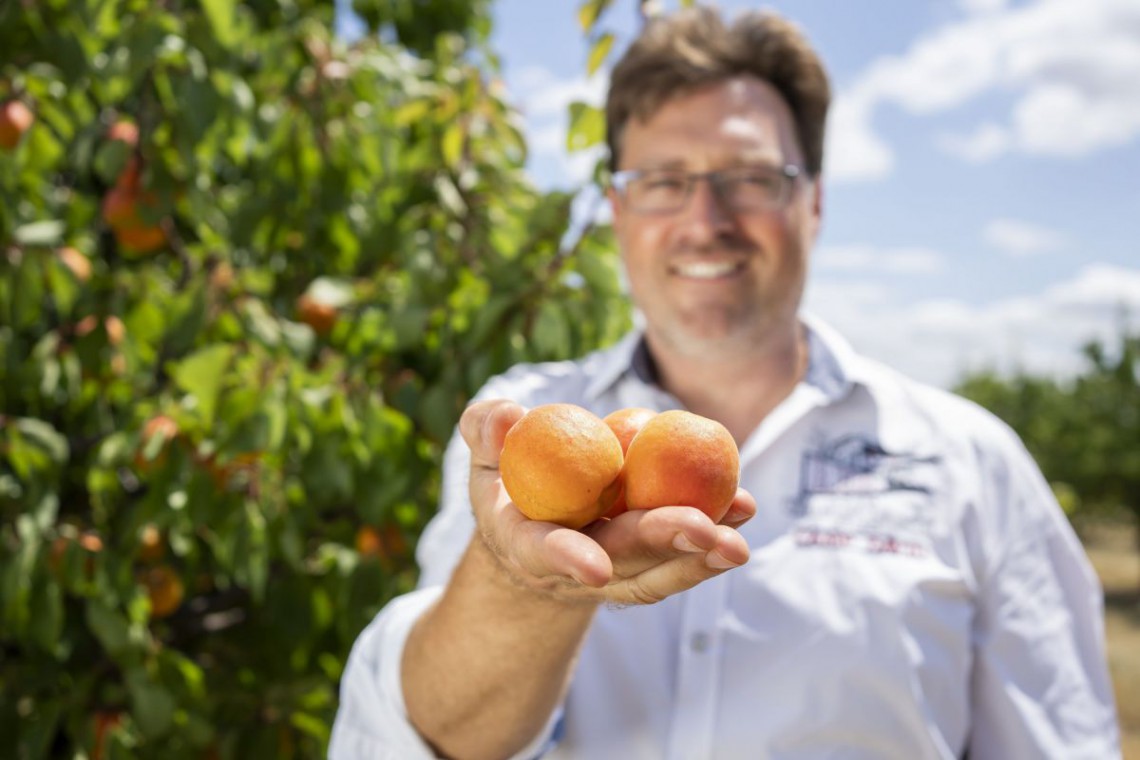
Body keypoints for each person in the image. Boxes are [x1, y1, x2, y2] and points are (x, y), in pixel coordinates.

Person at [329, 7, 1120, 759]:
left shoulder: (972, 464)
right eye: (664, 180)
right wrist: (524, 588)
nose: (705, 219)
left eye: (750, 176)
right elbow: (421, 742)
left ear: (813, 201)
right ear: (616, 208)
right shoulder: (517, 436)